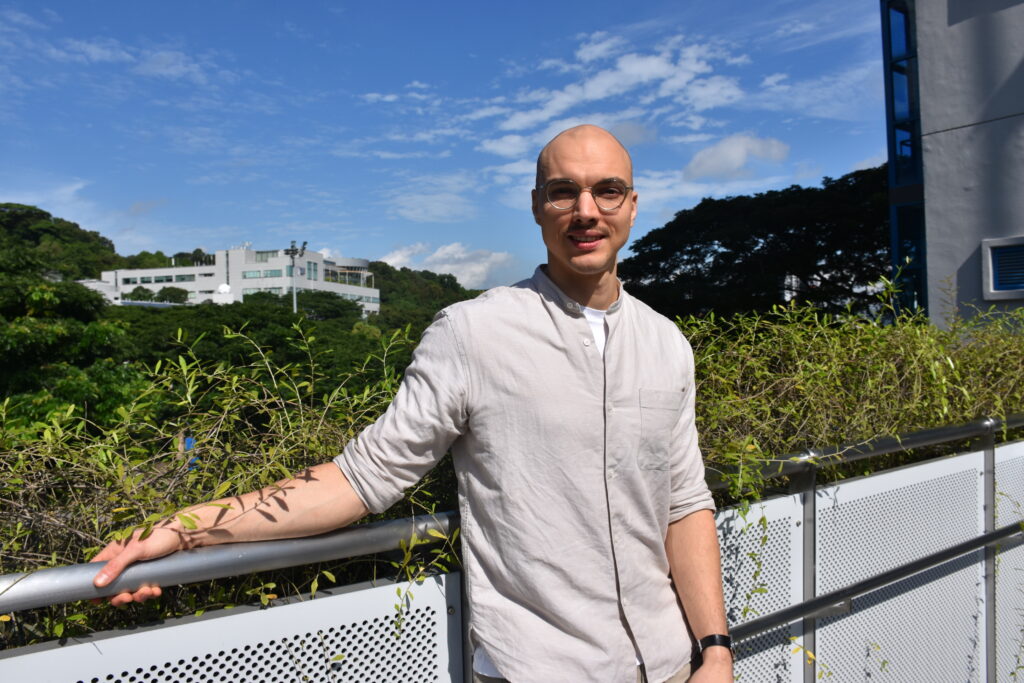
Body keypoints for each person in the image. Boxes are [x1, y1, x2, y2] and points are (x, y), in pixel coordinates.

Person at [92, 125, 733, 683]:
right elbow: (359, 479)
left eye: (607, 191)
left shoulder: (666, 344)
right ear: (538, 206)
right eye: (564, 191)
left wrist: (716, 650)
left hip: (671, 663)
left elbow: (683, 503)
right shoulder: (474, 333)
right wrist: (182, 530)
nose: (586, 211)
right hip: (540, 669)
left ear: (632, 205)